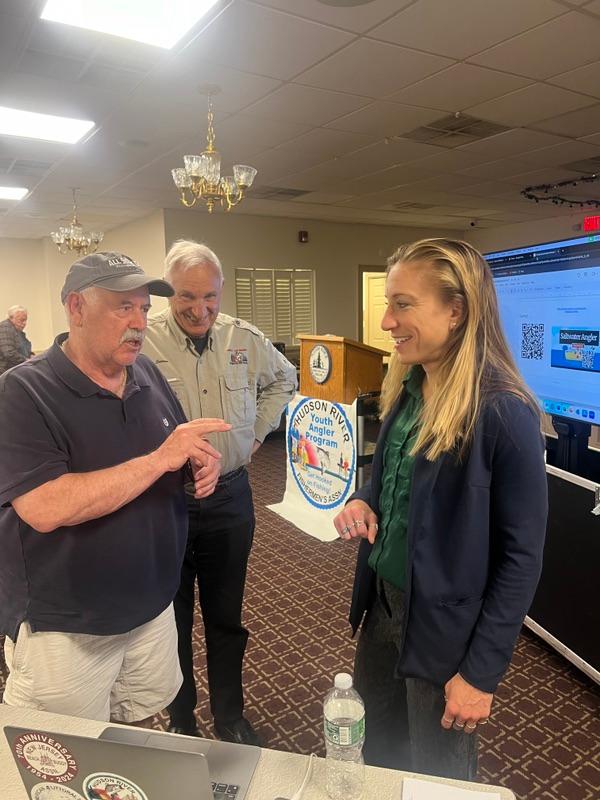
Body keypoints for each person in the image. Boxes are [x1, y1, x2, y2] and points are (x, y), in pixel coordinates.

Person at [333, 239, 548, 780]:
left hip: (443, 628)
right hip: (383, 605)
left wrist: (480, 675)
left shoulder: (503, 412)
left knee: (437, 775)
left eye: (403, 304)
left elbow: (521, 558)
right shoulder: (409, 387)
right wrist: (362, 499)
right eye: (389, 304)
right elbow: (388, 478)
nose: (387, 321)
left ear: (457, 311)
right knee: (377, 754)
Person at [0, 251, 231, 724]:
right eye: (123, 307)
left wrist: (196, 463)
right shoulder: (22, 391)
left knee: (136, 726)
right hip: (69, 626)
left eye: (144, 308)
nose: (139, 323)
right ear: (76, 308)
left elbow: (173, 447)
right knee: (68, 753)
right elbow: (45, 506)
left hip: (151, 605)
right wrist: (160, 460)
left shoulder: (145, 372)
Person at [143, 240, 297, 744]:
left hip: (230, 500)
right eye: (187, 296)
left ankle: (230, 716)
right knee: (172, 620)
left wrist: (255, 436)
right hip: (165, 504)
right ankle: (181, 716)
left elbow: (285, 379)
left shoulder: (243, 338)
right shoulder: (143, 341)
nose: (199, 308)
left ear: (221, 291)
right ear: (168, 292)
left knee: (226, 617)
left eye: (209, 296)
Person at [0, 305, 32, 374]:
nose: (24, 323)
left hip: (15, 370)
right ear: (11, 318)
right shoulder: (5, 328)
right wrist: (27, 360)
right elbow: (9, 353)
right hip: (6, 372)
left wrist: (32, 355)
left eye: (25, 320)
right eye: (21, 320)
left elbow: (23, 349)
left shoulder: (17, 331)